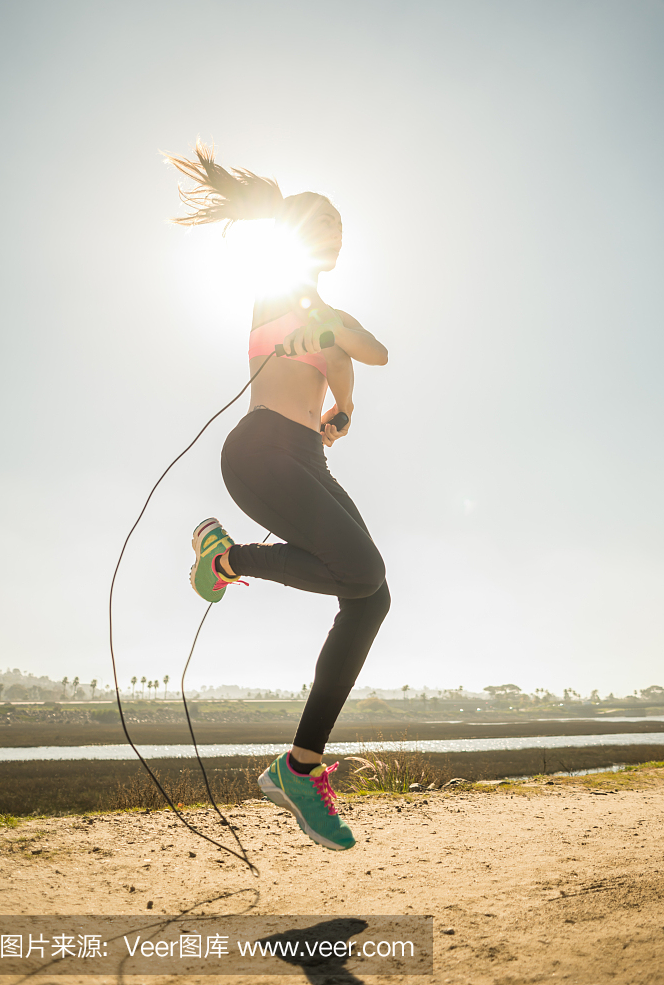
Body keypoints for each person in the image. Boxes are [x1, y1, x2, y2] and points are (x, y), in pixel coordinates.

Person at [166, 142, 391, 851]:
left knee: (370, 595)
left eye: (340, 228)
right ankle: (226, 558)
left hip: (305, 461)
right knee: (363, 575)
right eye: (320, 223)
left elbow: (372, 355)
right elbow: (335, 328)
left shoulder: (331, 319)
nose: (333, 234)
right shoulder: (276, 292)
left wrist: (340, 415)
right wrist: (277, 221)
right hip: (260, 450)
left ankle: (299, 767)